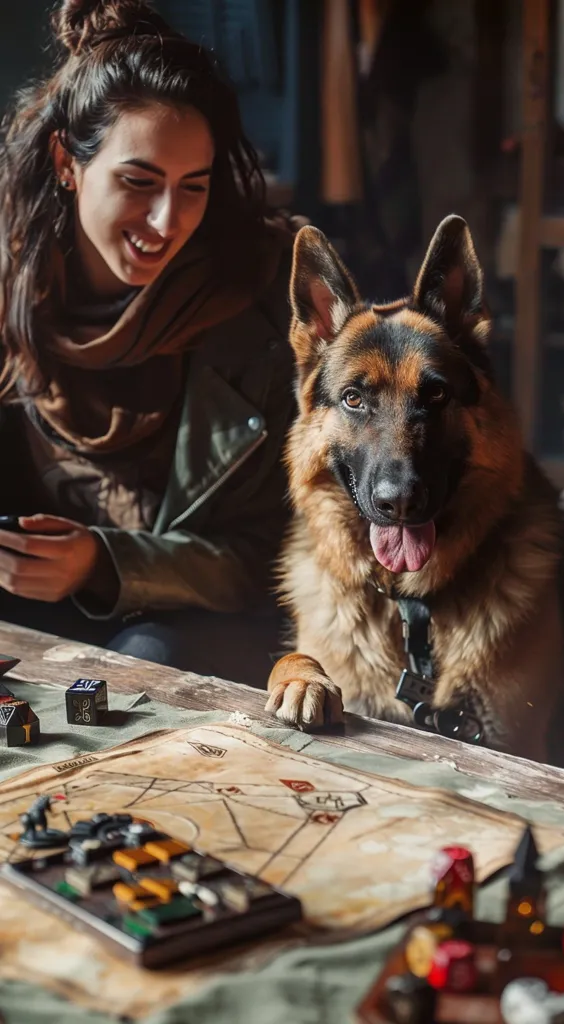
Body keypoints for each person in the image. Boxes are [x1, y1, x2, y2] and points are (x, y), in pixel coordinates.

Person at [0, 0, 297, 687]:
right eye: (138, 182)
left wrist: (106, 563)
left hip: (198, 626)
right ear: (66, 163)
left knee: (146, 663)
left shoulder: (258, 303)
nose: (166, 222)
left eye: (192, 187)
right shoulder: (15, 290)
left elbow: (281, 557)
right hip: (34, 612)